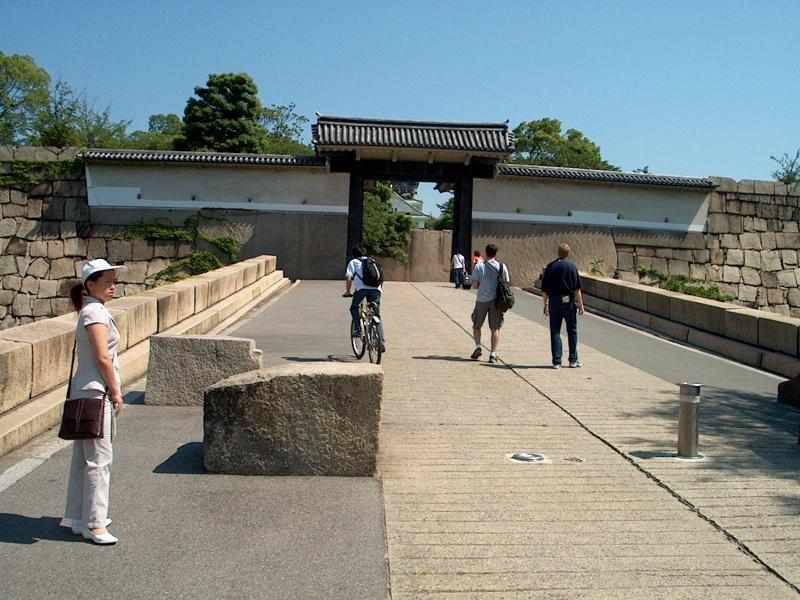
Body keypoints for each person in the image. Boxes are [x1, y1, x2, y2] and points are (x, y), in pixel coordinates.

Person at [64, 258, 127, 545]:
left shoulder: (92, 310)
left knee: (84, 458)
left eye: (114, 281)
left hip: (86, 390)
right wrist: (115, 392)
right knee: (99, 460)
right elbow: (102, 357)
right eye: (107, 282)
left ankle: (79, 517)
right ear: (90, 285)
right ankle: (95, 523)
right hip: (96, 393)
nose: (113, 286)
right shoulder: (95, 314)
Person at [541, 243, 585, 369]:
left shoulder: (550, 267)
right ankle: (573, 360)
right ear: (568, 253)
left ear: (558, 253)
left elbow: (544, 290)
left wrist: (545, 305)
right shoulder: (572, 267)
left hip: (554, 301)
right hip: (568, 302)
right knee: (572, 330)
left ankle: (556, 361)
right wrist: (581, 305)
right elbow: (577, 289)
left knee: (555, 331)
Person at [469, 244, 510, 364]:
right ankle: (493, 354)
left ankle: (478, 347)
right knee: (495, 328)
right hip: (496, 302)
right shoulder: (502, 266)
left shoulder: (479, 266)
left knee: (477, 325)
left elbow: (474, 285)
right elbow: (506, 283)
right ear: (495, 254)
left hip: (481, 300)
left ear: (485, 253)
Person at [344, 245, 385, 352]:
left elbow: (349, 278)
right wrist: (379, 289)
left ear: (354, 254)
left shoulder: (353, 262)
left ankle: (357, 329)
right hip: (376, 290)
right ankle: (381, 341)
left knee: (354, 308)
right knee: (376, 314)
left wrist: (348, 292)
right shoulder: (373, 261)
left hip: (361, 289)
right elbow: (381, 276)